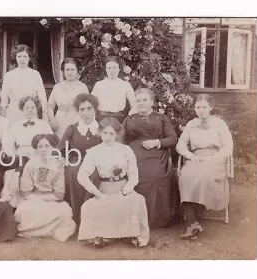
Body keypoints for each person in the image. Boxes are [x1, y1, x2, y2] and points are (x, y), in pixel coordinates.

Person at [77, 117, 149, 248]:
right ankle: (101, 236)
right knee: (89, 207)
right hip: (104, 190)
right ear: (99, 133)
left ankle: (133, 234)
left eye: (111, 134)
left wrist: (127, 189)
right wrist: (97, 194)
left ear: (117, 134)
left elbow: (133, 174)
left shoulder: (126, 150)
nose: (108, 137)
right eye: (105, 133)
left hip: (123, 188)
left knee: (137, 201)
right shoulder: (94, 152)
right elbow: (81, 175)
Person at [176, 94, 233, 239]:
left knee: (203, 176)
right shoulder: (191, 124)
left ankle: (192, 222)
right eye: (198, 107)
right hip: (196, 157)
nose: (200, 110)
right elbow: (180, 145)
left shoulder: (219, 123)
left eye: (204, 107)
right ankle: (193, 223)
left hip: (215, 159)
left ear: (211, 108)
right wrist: (191, 156)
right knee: (186, 176)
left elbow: (228, 147)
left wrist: (214, 157)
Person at [121, 88, 177, 229]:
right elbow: (120, 140)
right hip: (134, 155)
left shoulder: (161, 118)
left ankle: (155, 219)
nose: (141, 103)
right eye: (138, 100)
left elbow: (172, 139)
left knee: (154, 177)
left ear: (152, 102)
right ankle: (134, 218)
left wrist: (157, 142)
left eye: (144, 100)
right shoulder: (129, 119)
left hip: (156, 154)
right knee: (133, 175)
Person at [14, 134, 76, 242]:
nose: (43, 149)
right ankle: (33, 231)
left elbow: (59, 194)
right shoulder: (30, 164)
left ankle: (50, 231)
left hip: (52, 199)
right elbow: (26, 192)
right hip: (33, 198)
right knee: (24, 211)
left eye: (47, 146)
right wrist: (37, 199)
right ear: (36, 149)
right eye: (40, 146)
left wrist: (45, 199)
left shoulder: (58, 165)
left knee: (64, 212)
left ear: (53, 148)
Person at [57, 93, 102, 225]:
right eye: (82, 109)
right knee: (73, 172)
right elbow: (61, 150)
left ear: (95, 110)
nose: (86, 112)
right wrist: (62, 159)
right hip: (76, 161)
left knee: (94, 175)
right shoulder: (72, 128)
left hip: (96, 162)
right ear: (78, 111)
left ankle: (93, 220)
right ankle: (77, 218)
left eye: (89, 108)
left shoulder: (101, 128)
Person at [0, 44, 48, 123]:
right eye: (19, 56)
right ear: (15, 58)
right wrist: (3, 119)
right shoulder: (9, 75)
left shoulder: (35, 74)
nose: (22, 59)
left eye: (25, 56)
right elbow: (4, 99)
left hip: (30, 110)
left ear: (29, 58)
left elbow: (42, 96)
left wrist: (45, 114)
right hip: (13, 111)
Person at [47, 58, 89, 138]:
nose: (70, 72)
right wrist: (52, 119)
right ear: (63, 71)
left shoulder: (82, 87)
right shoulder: (57, 87)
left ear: (77, 71)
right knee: (60, 144)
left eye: (72, 69)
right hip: (60, 120)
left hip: (76, 119)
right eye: (67, 69)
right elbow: (50, 106)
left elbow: (87, 107)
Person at [91, 56, 137, 123]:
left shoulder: (125, 85)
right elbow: (91, 103)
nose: (111, 70)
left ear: (119, 69)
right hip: (101, 118)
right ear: (106, 69)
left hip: (118, 118)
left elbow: (134, 103)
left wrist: (130, 114)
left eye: (114, 68)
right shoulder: (99, 84)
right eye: (109, 68)